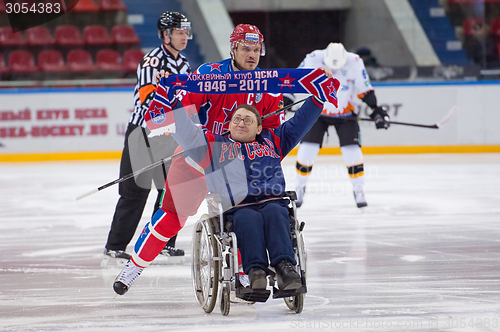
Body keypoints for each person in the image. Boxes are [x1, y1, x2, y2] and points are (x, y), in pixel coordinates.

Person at [111, 24, 339, 296]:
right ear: (233, 48)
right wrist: (168, 93)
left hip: (236, 164)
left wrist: (319, 86)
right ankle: (134, 266)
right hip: (201, 153)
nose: (252, 54)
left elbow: (272, 133)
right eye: (246, 48)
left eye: (256, 49)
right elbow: (181, 107)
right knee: (171, 217)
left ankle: (247, 273)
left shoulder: (269, 86)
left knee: (246, 213)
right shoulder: (209, 75)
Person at [102, 11, 192, 266]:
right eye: (179, 32)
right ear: (166, 35)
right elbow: (147, 100)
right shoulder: (151, 62)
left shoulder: (184, 64)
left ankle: (162, 243)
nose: (184, 36)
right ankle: (115, 246)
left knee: (170, 191)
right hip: (143, 133)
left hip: (171, 135)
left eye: (186, 32)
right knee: (134, 192)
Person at [294, 42, 390, 209]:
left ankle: (359, 191)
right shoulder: (312, 59)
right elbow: (294, 80)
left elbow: (364, 89)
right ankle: (299, 188)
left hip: (345, 114)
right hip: (317, 112)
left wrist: (376, 110)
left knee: (353, 154)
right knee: (306, 152)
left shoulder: (355, 62)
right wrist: (286, 99)